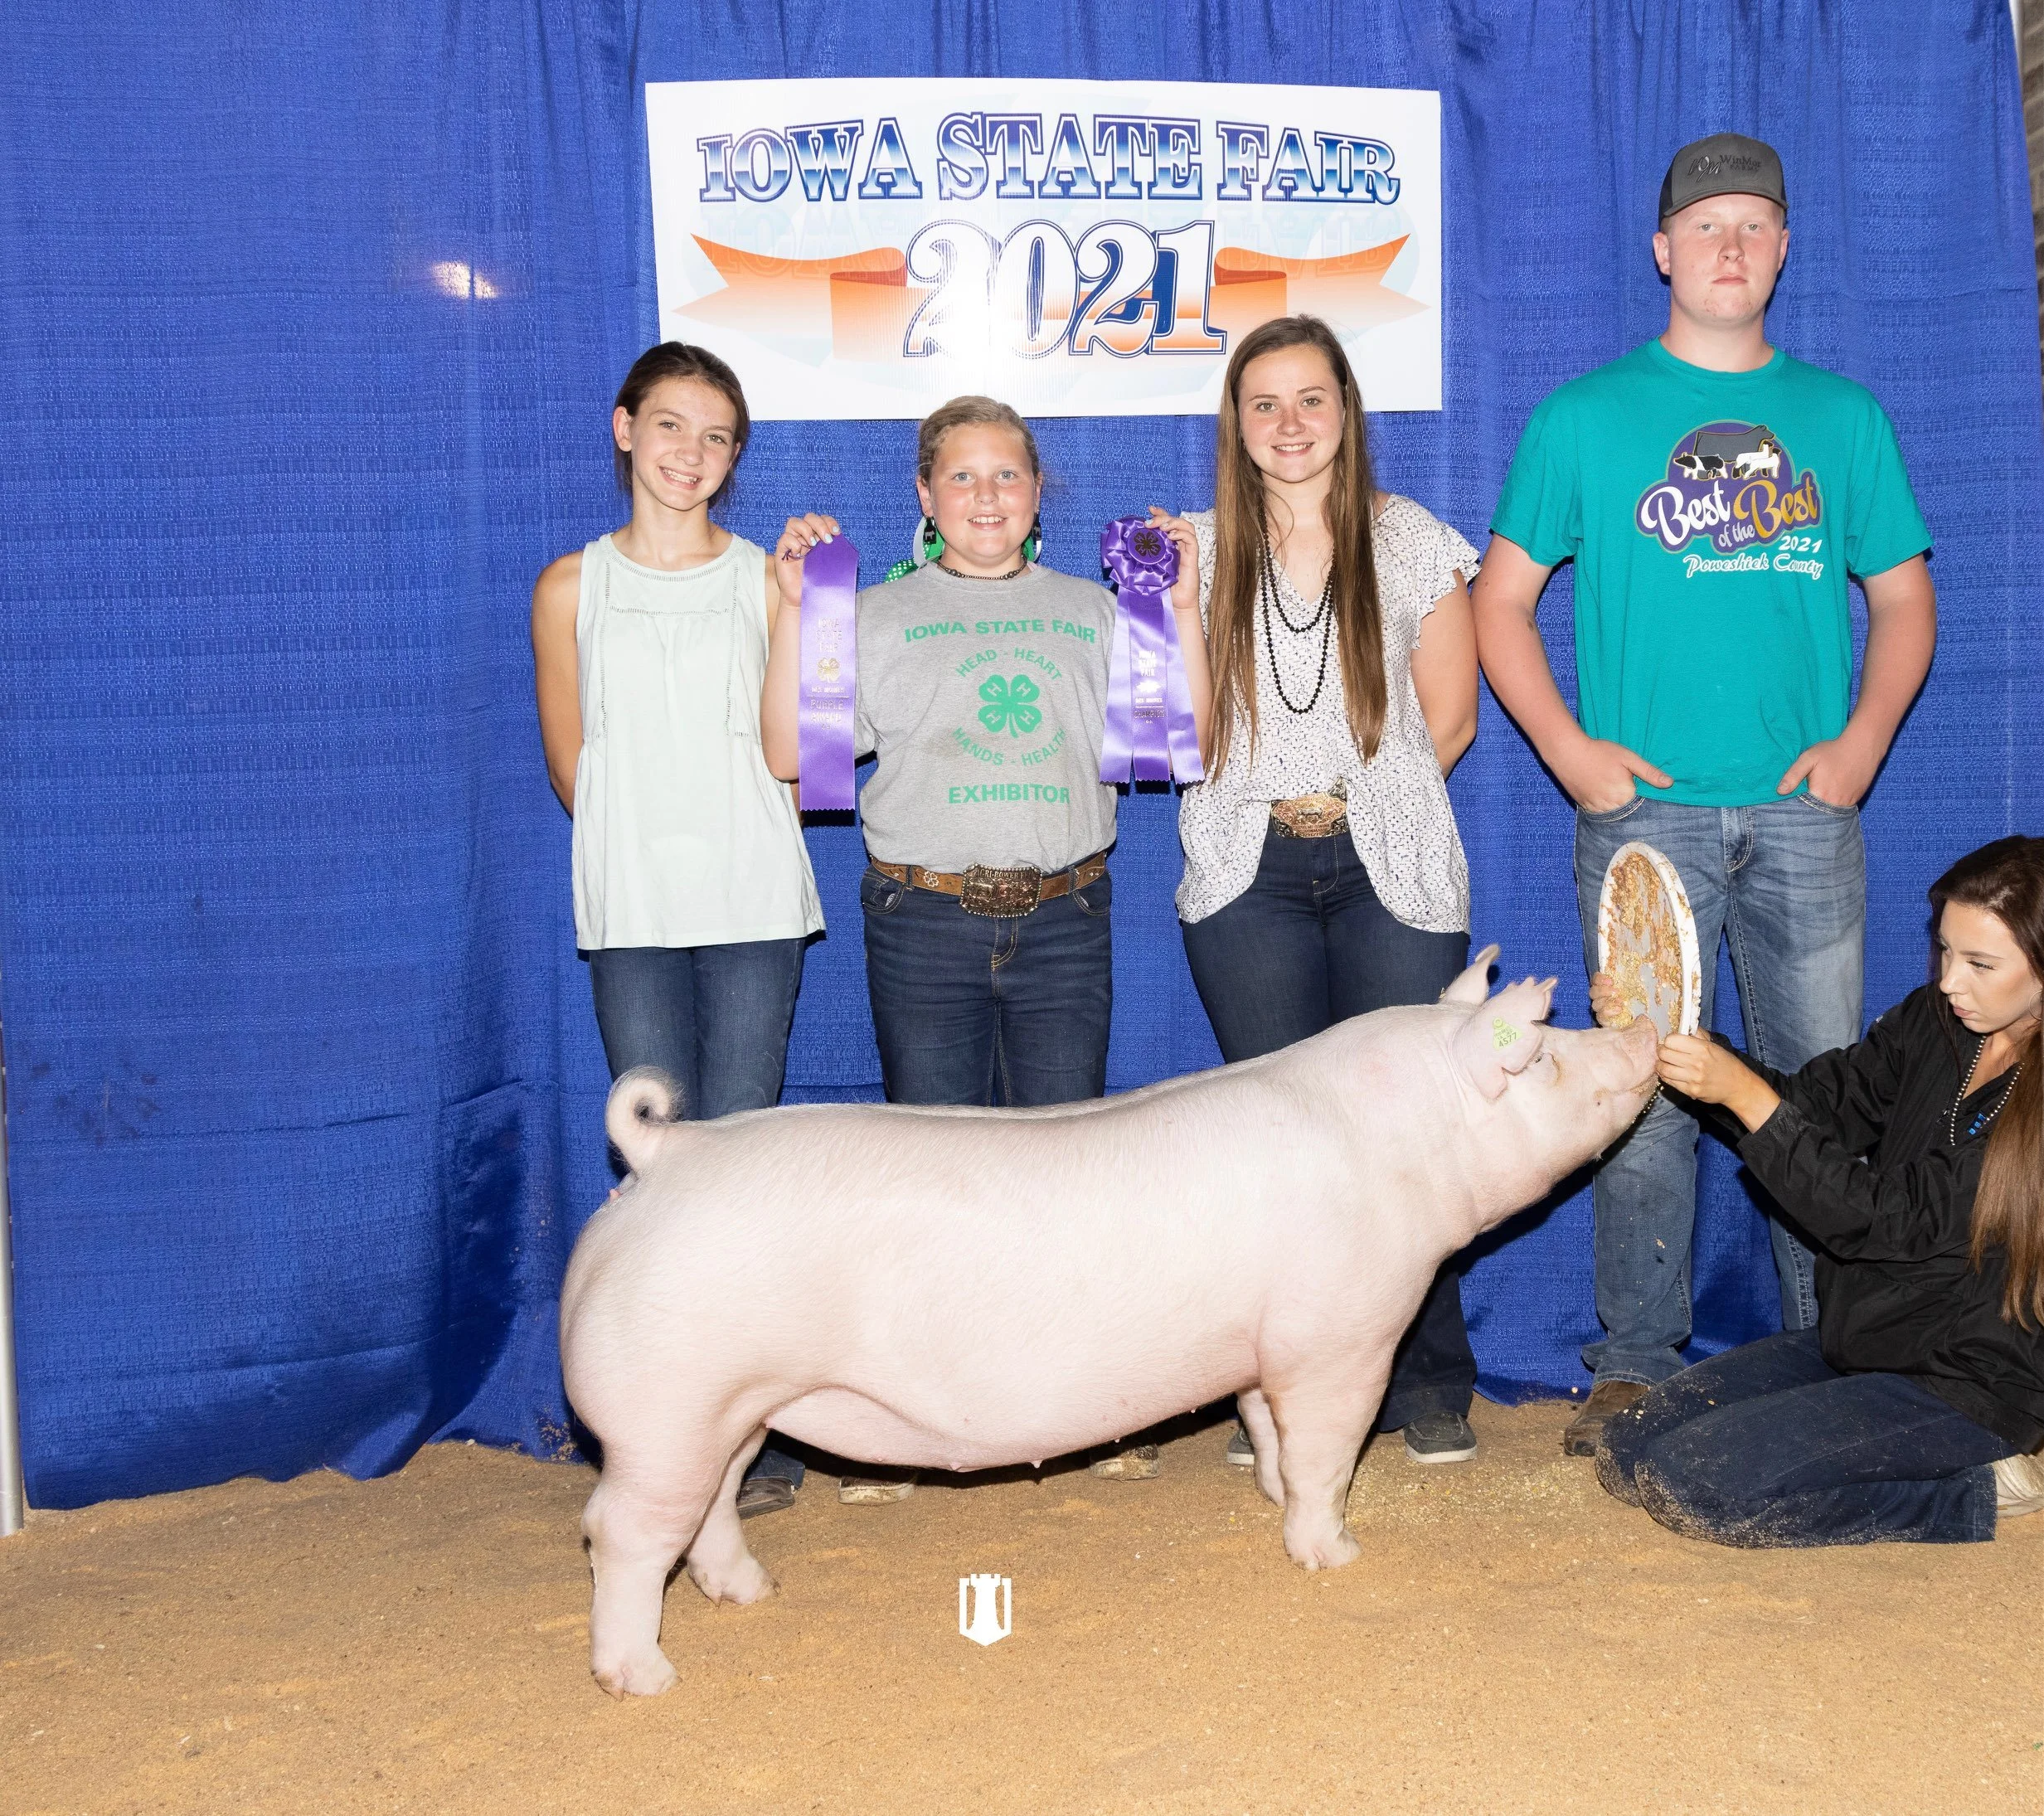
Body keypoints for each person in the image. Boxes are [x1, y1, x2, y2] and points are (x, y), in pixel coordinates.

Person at [1469, 133, 1938, 1456]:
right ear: (1663, 250)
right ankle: (1633, 1363)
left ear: (1782, 249)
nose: (1729, 247)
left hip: (1802, 815)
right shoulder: (1583, 417)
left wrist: (1861, 741)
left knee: (1817, 1096)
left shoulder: (1843, 420)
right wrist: (1571, 750)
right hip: (1646, 822)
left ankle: (1826, 1356)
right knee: (1643, 1096)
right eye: (1705, 226)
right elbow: (1500, 601)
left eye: (1755, 225)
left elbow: (1902, 598)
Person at [761, 396, 1212, 1498]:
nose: (984, 498)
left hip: (1065, 916)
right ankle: (922, 1418)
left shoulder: (1102, 607)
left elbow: (1179, 742)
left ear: (1037, 491)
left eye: (1006, 476)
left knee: (1068, 1173)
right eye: (960, 478)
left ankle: (1082, 1411)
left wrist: (1184, 606)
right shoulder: (860, 612)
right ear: (923, 495)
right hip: (924, 920)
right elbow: (790, 750)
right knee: (932, 1185)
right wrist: (790, 616)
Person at [1163, 313, 1486, 1467]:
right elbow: (1172, 737)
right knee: (1280, 1142)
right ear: (1235, 426)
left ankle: (1430, 1379)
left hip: (1386, 867)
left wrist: (1366, 802)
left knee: (1410, 1129)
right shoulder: (1184, 547)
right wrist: (1179, 594)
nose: (1289, 423)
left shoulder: (1406, 540)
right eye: (1264, 403)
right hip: (1246, 871)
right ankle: (1280, 1390)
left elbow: (1448, 715)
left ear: (1345, 410)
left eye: (1310, 398)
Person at [532, 341, 822, 1519]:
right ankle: (659, 1420)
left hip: (753, 896)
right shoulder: (570, 587)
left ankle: (754, 1426)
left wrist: (805, 611)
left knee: (738, 1168)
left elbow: (788, 752)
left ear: (734, 457)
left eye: (715, 437)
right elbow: (571, 761)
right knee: (658, 1167)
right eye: (671, 427)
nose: (691, 454)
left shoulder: (769, 579)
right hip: (636, 908)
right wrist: (628, 850)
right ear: (623, 429)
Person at [1590, 836, 2044, 1546]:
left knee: (1695, 1483)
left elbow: (1876, 1220)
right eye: (1945, 952)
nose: (1950, 981)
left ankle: (1974, 1491)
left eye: (1981, 964)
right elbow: (1810, 1103)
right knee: (1626, 1452)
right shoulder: (1937, 1021)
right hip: (1862, 1339)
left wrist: (1743, 1098)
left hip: (1970, 1383)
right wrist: (1677, 1039)